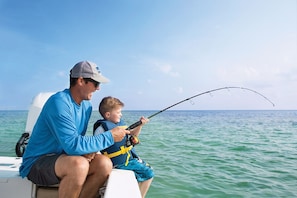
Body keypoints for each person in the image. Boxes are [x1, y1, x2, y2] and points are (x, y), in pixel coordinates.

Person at [19, 61, 130, 198]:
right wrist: (110, 136)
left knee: (104, 164)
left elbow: (76, 142)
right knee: (79, 165)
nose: (98, 88)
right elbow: (73, 145)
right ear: (81, 81)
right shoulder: (59, 102)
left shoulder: (87, 107)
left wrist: (88, 151)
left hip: (63, 158)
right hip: (37, 163)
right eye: (96, 83)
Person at [93, 96, 154, 198]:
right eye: (118, 112)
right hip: (119, 163)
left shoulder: (120, 124)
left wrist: (140, 125)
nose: (121, 114)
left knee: (145, 168)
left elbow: (133, 135)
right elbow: (95, 147)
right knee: (149, 172)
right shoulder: (101, 129)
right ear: (108, 114)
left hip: (127, 159)